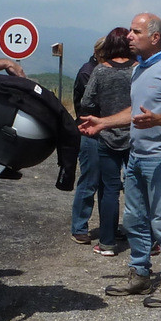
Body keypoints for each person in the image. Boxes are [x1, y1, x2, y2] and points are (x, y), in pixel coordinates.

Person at [78, 13, 161, 307]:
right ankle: (141, 274)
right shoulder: (140, 69)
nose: (129, 36)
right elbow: (135, 112)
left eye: (135, 31)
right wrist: (103, 123)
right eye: (130, 31)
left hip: (160, 157)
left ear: (154, 37)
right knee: (133, 219)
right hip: (136, 156)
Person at [77, 27, 135, 256]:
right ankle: (146, 242)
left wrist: (102, 116)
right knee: (138, 190)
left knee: (109, 189)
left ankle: (108, 242)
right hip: (135, 136)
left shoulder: (101, 71)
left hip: (107, 135)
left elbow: (86, 102)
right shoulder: (139, 70)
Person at [69, 36, 108, 243]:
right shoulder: (88, 72)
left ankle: (107, 226)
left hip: (103, 132)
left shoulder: (95, 70)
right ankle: (79, 227)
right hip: (89, 133)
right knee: (90, 180)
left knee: (106, 183)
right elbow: (93, 104)